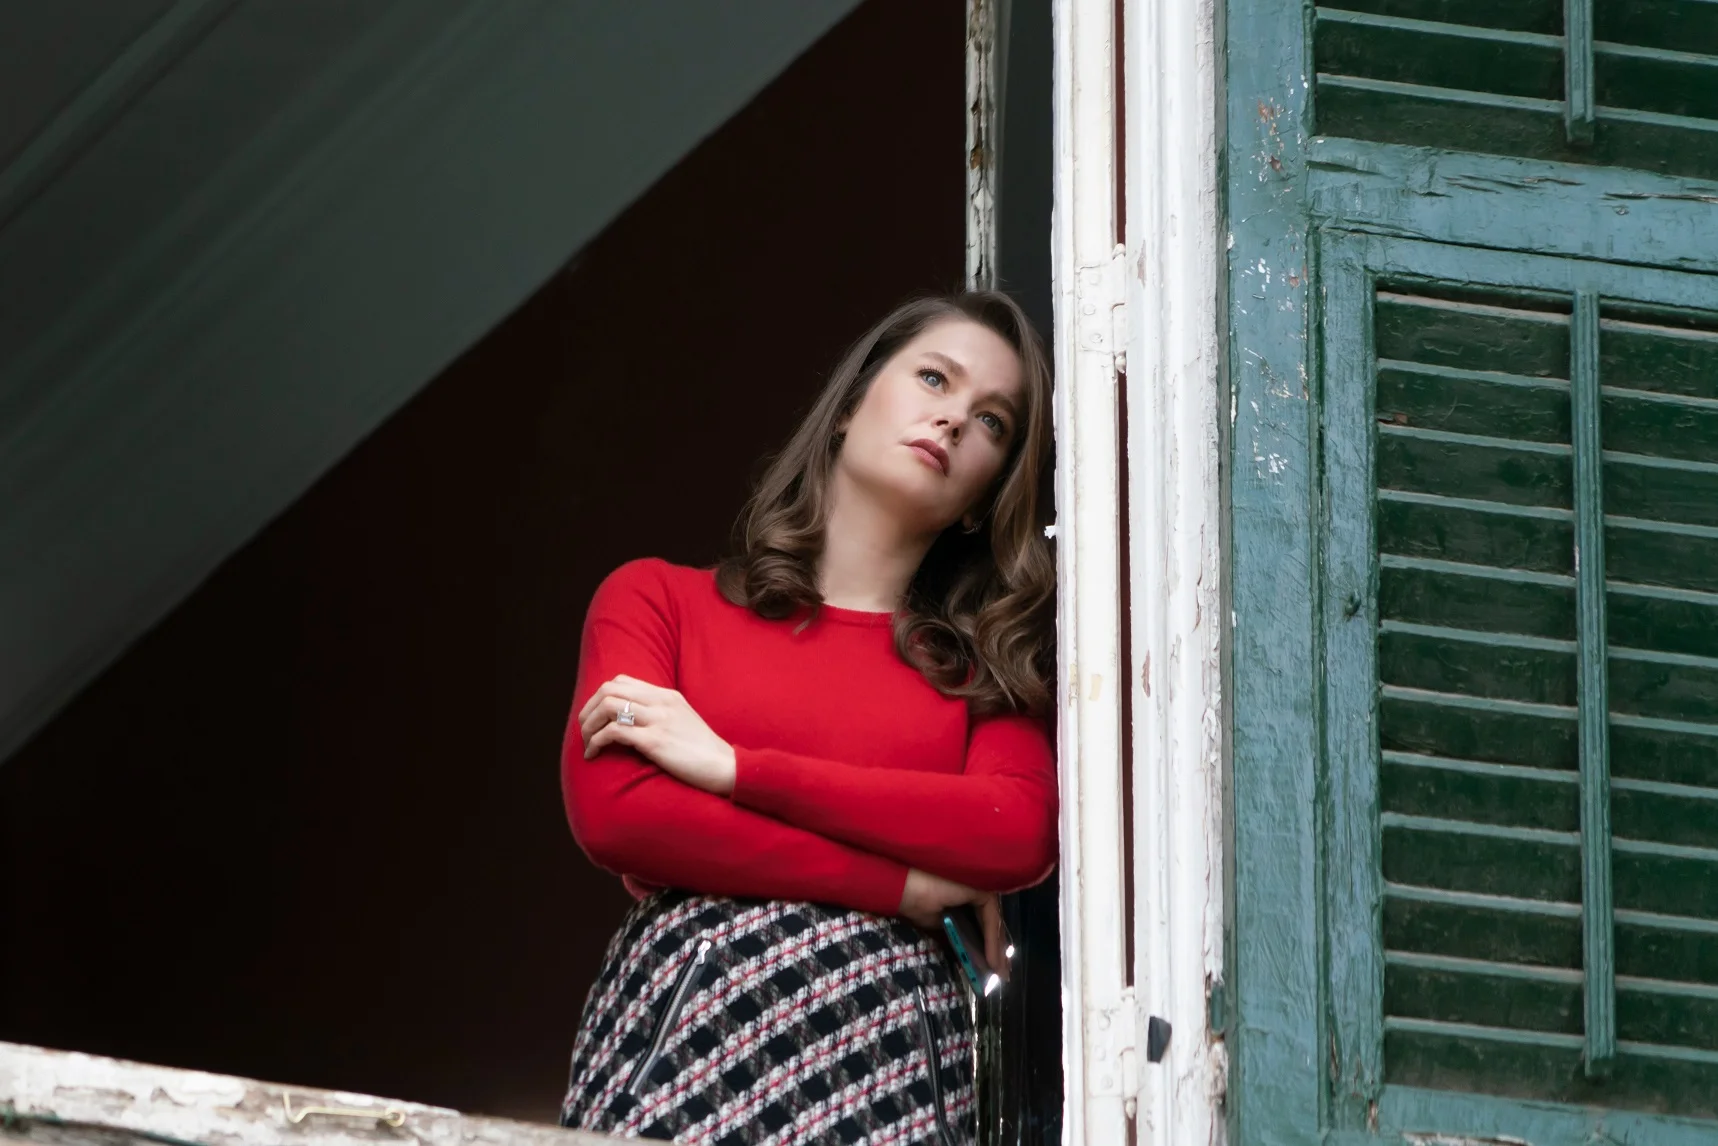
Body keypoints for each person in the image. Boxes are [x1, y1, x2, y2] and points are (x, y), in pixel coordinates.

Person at [558, 291, 1059, 1146]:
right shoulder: (655, 600)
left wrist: (735, 769)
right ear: (848, 408)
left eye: (992, 422)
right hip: (688, 1025)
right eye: (934, 379)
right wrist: (901, 887)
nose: (952, 419)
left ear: (985, 496)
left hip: (890, 1052)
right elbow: (622, 814)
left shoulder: (988, 678)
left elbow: (1014, 832)